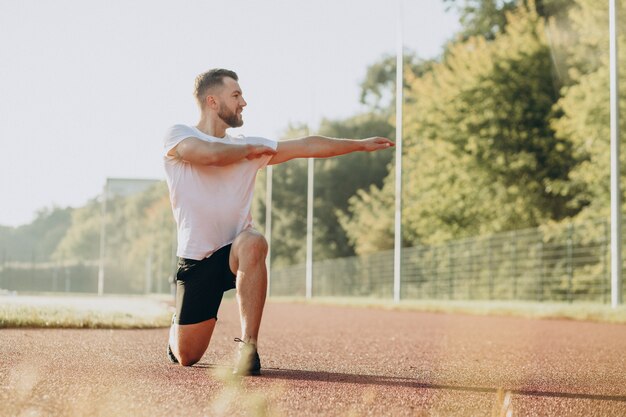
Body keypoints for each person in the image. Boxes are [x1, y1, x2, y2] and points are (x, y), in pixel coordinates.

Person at [163, 68, 394, 375]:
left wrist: (359, 144)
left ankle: (248, 348)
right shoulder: (179, 135)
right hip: (196, 261)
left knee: (254, 241)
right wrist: (246, 151)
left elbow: (307, 145)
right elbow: (207, 155)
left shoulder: (250, 145)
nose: (244, 102)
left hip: (235, 251)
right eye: (236, 95)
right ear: (212, 101)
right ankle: (176, 329)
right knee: (187, 356)